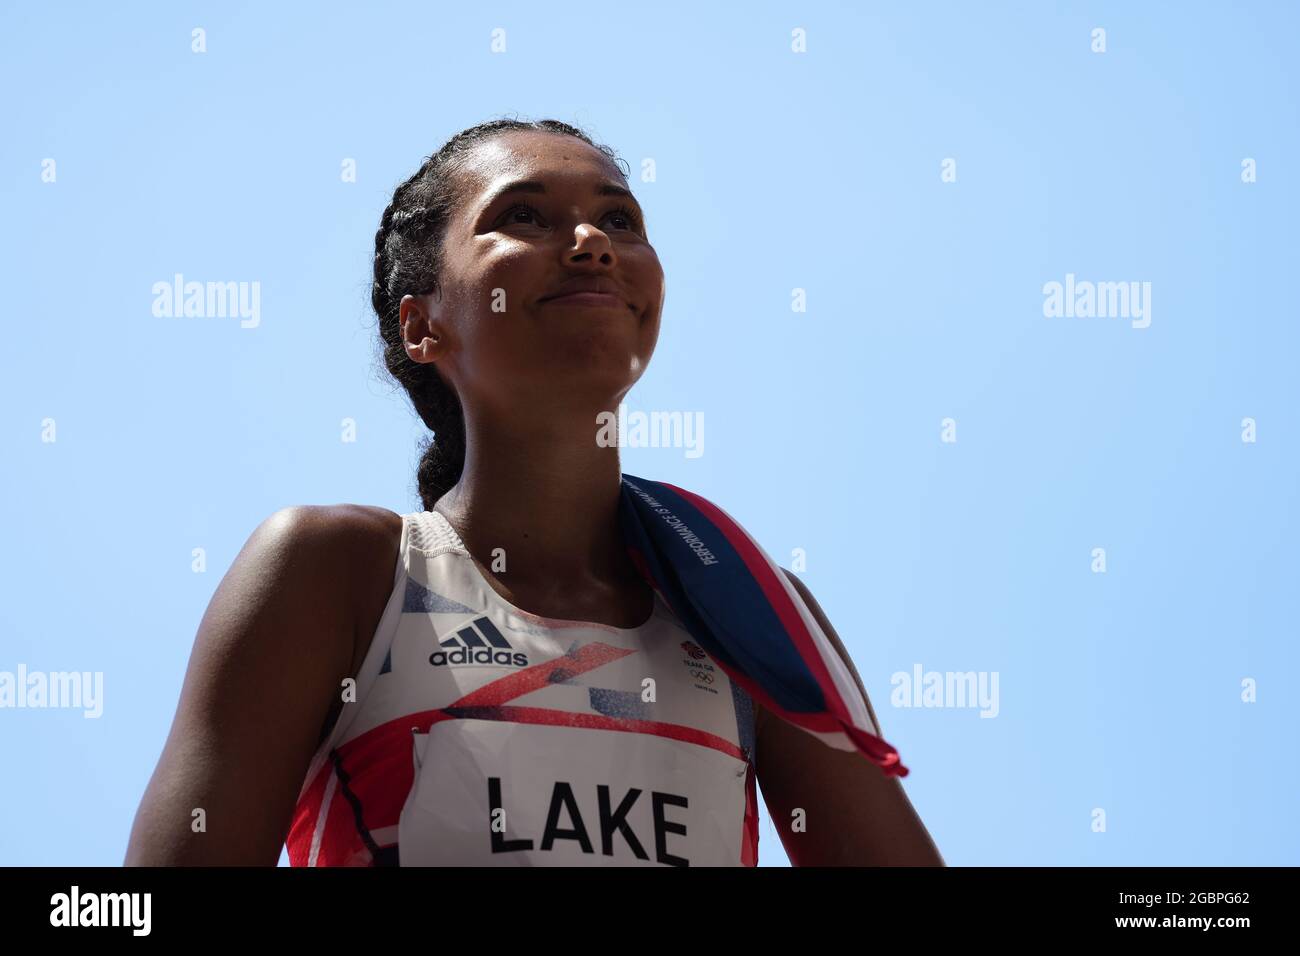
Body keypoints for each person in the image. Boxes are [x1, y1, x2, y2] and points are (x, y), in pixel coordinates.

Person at [124, 118, 944, 866]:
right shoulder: (338, 573)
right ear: (422, 326)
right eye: (523, 216)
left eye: (620, 219)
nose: (592, 242)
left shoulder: (750, 613)